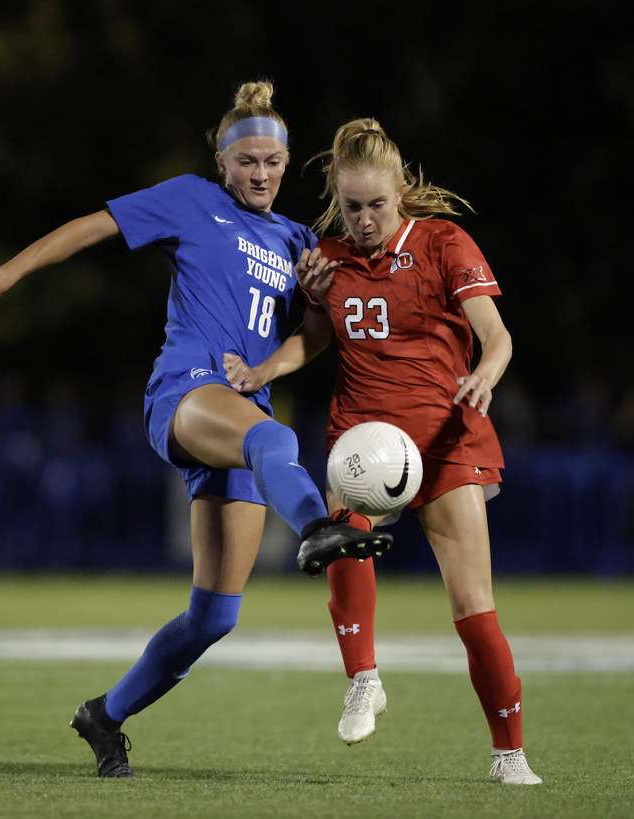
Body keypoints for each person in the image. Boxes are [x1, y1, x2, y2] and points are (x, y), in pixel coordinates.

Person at [0, 81, 392, 778]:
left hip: (241, 413)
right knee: (277, 441)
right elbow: (90, 228)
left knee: (214, 615)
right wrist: (5, 276)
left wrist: (309, 309)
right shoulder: (191, 199)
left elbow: (316, 334)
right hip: (187, 392)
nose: (262, 173)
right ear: (222, 161)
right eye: (248, 161)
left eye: (273, 162)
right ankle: (316, 529)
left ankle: (104, 714)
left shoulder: (300, 241)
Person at [222, 118, 541, 784]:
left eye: (377, 204)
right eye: (353, 206)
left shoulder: (445, 243)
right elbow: (314, 339)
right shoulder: (327, 259)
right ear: (339, 200)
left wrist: (486, 371)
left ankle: (509, 751)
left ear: (400, 191)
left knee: (473, 607)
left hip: (445, 439)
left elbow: (498, 335)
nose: (365, 219)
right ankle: (363, 677)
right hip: (363, 435)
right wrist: (264, 371)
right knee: (343, 530)